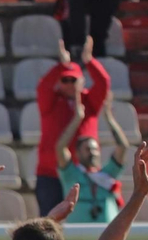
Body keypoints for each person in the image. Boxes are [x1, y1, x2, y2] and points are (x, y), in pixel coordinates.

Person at [34, 39, 109, 215]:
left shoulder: (89, 101)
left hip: (82, 175)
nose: (68, 84)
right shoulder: (51, 101)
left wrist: (89, 61)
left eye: (73, 80)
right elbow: (43, 87)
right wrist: (62, 65)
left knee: (83, 222)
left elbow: (104, 82)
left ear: (81, 81)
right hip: (50, 174)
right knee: (49, 225)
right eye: (64, 80)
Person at [54, 89, 129, 224]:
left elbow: (123, 146)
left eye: (95, 149)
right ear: (77, 153)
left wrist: (108, 117)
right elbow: (60, 148)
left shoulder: (108, 174)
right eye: (88, 149)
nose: (93, 152)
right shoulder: (71, 174)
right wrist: (77, 119)